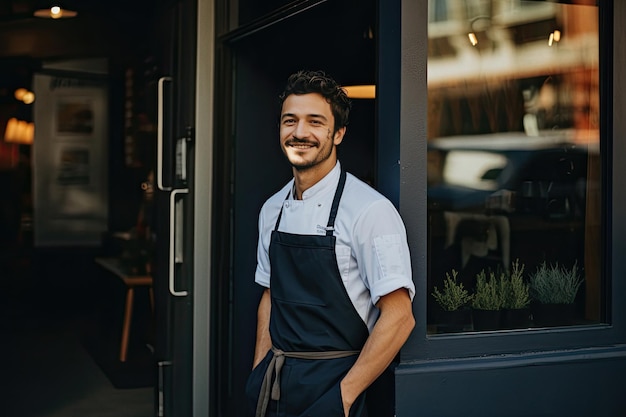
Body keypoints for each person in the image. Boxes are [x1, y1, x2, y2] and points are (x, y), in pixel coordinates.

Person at [245, 70, 415, 417]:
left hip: (337, 390)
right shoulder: (272, 209)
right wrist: (258, 371)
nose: (300, 132)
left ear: (338, 133)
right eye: (289, 121)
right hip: (275, 388)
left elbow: (399, 318)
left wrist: (343, 399)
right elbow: (269, 295)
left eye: (315, 122)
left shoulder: (370, 210)